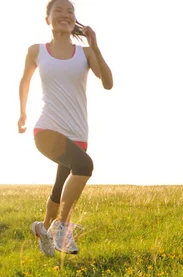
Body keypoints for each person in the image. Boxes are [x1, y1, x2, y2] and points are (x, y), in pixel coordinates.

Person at [18, 0, 113, 255]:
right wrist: (22, 112)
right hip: (47, 129)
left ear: (74, 21)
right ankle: (62, 227)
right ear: (47, 19)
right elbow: (25, 80)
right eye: (58, 10)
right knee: (84, 166)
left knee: (59, 189)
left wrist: (95, 47)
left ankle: (43, 230)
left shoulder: (85, 53)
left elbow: (108, 83)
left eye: (70, 11)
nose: (65, 14)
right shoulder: (36, 51)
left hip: (78, 133)